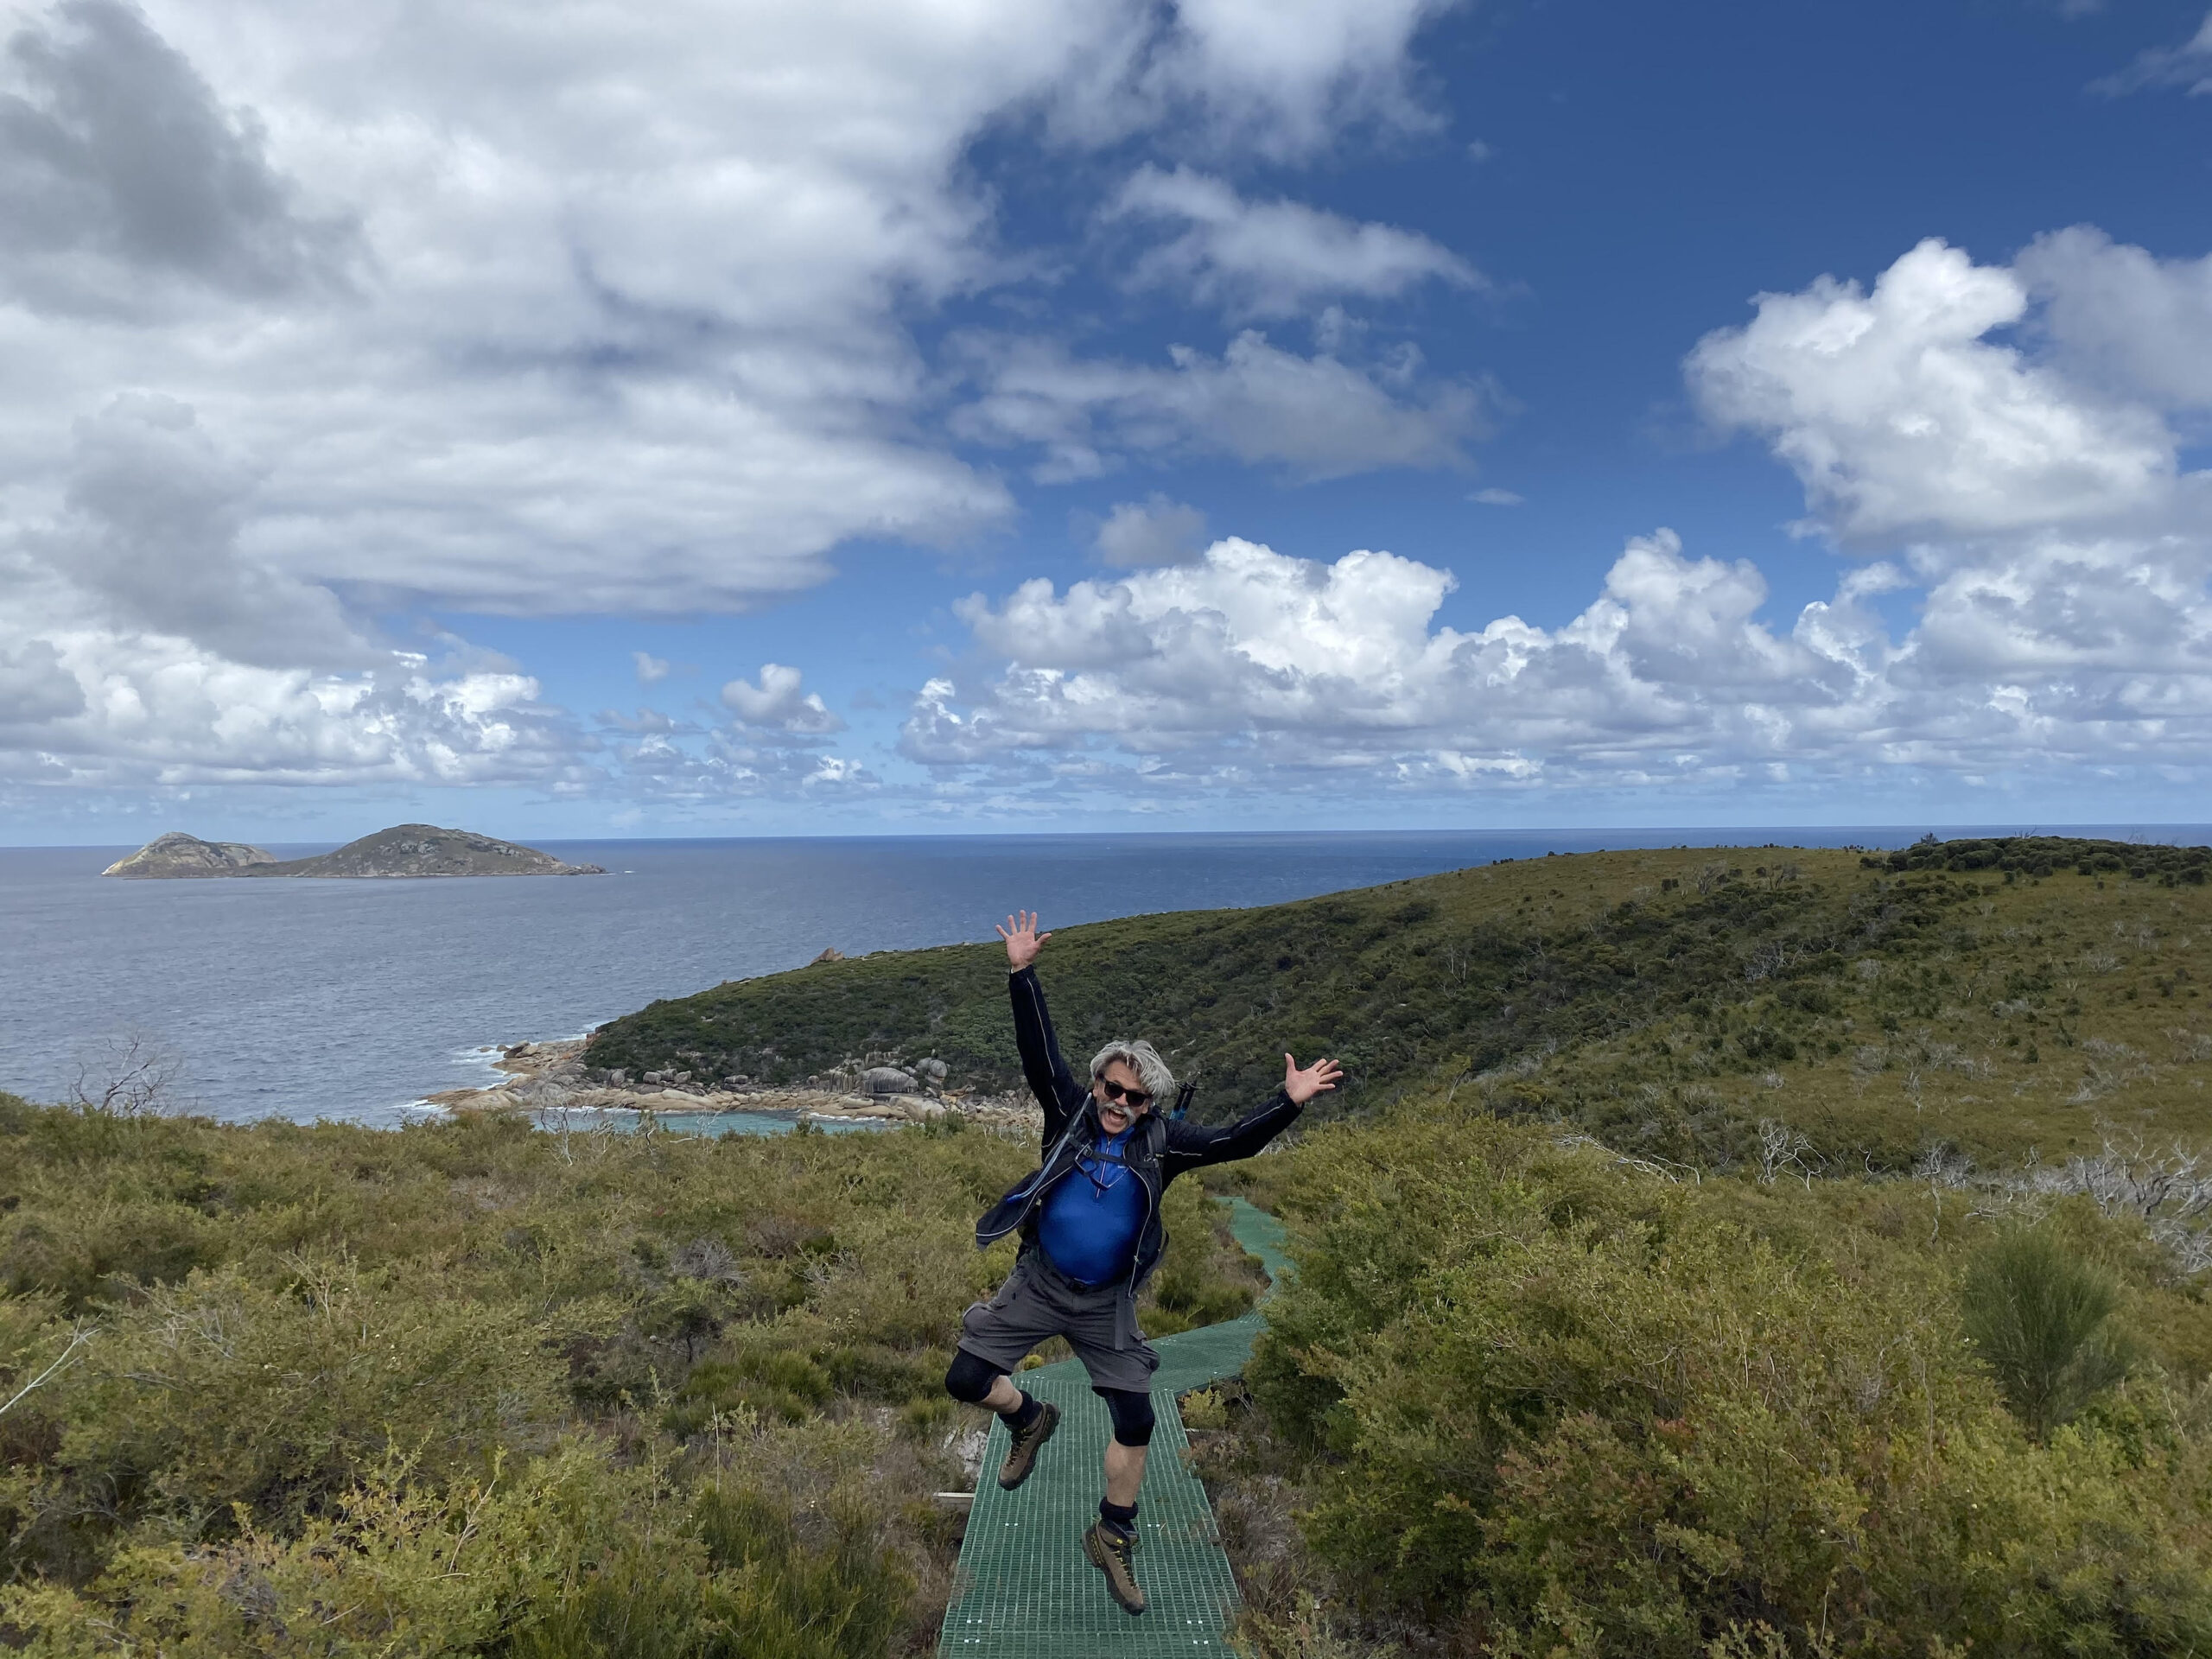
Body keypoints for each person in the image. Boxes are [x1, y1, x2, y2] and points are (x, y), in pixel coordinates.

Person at [943, 910, 1341, 1618]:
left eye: (1134, 1096)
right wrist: (1021, 974)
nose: (1119, 1103)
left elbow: (1232, 1144)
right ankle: (1030, 1417)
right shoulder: (1070, 1111)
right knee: (967, 1378)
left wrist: (1288, 1103)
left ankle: (1112, 1534)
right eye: (1111, 1089)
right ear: (1097, 1085)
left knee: (1135, 1419)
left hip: (1104, 1302)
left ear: (1149, 1102)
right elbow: (1040, 1054)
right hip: (1039, 1281)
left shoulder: (1164, 1142)